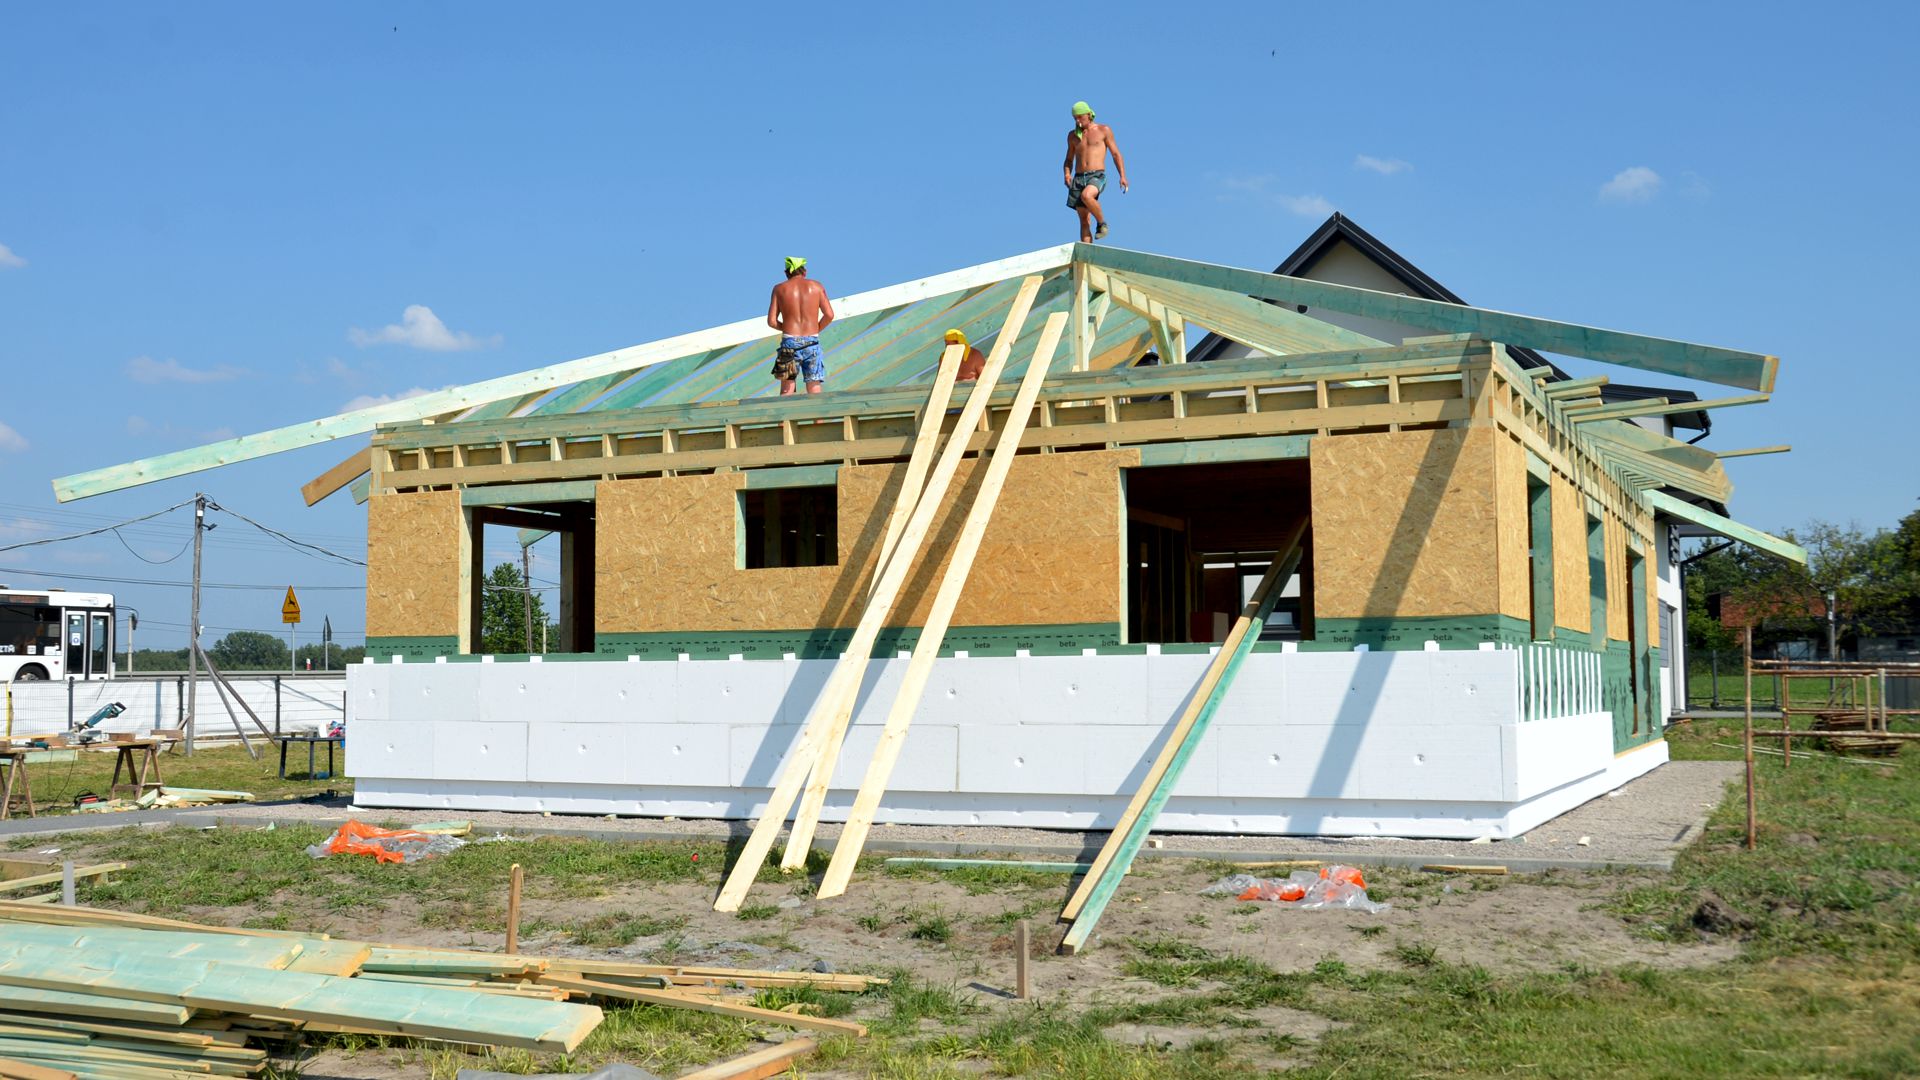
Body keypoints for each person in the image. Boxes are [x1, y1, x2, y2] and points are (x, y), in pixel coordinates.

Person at [1062, 101, 1128, 242]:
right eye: (1075, 118)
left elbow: (1116, 154)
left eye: (1080, 117)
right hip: (1078, 178)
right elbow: (1068, 159)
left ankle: (1101, 223)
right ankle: (1086, 253)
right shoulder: (1073, 136)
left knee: (1087, 196)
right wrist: (1067, 174)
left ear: (1088, 114)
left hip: (1096, 175)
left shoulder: (1104, 130)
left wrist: (1122, 176)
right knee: (1084, 221)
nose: (1078, 121)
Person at [768, 256, 835, 394]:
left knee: (787, 389)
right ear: (804, 271)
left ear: (786, 273)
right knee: (814, 387)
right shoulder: (817, 286)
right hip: (812, 342)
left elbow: (772, 321)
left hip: (789, 343)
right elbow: (829, 315)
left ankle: (786, 410)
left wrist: (787, 328)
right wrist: (816, 329)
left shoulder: (779, 289)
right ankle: (817, 410)